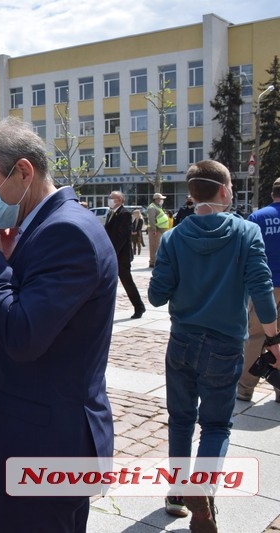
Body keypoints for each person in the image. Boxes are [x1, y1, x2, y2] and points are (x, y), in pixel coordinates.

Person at [0, 117, 116, 532]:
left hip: (47, 449)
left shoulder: (66, 231)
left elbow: (22, 334)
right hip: (34, 442)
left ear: (23, 172)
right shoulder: (42, 227)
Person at [148, 160, 280, 530]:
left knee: (180, 420)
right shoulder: (245, 232)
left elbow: (156, 296)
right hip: (224, 344)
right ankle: (203, 489)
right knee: (217, 425)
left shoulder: (175, 236)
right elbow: (261, 289)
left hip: (182, 341)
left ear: (192, 195)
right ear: (223, 190)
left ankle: (176, 493)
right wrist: (272, 337)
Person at [238, 177, 280, 403]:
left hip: (264, 286)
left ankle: (245, 388)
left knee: (255, 336)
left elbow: (246, 252)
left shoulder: (258, 217)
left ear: (273, 193)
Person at [105, 191, 146, 319]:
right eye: (109, 197)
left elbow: (122, 237)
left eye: (112, 198)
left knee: (127, 282)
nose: (109, 199)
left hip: (121, 256)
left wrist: (112, 253)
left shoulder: (125, 214)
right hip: (112, 255)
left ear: (120, 200)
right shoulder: (111, 213)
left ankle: (139, 306)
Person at [146, 192, 170, 268]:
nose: (162, 200)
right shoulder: (152, 207)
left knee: (158, 246)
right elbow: (151, 219)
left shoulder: (158, 207)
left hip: (160, 230)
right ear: (157, 199)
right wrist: (154, 230)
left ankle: (156, 261)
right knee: (154, 247)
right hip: (156, 231)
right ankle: (153, 262)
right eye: (161, 199)